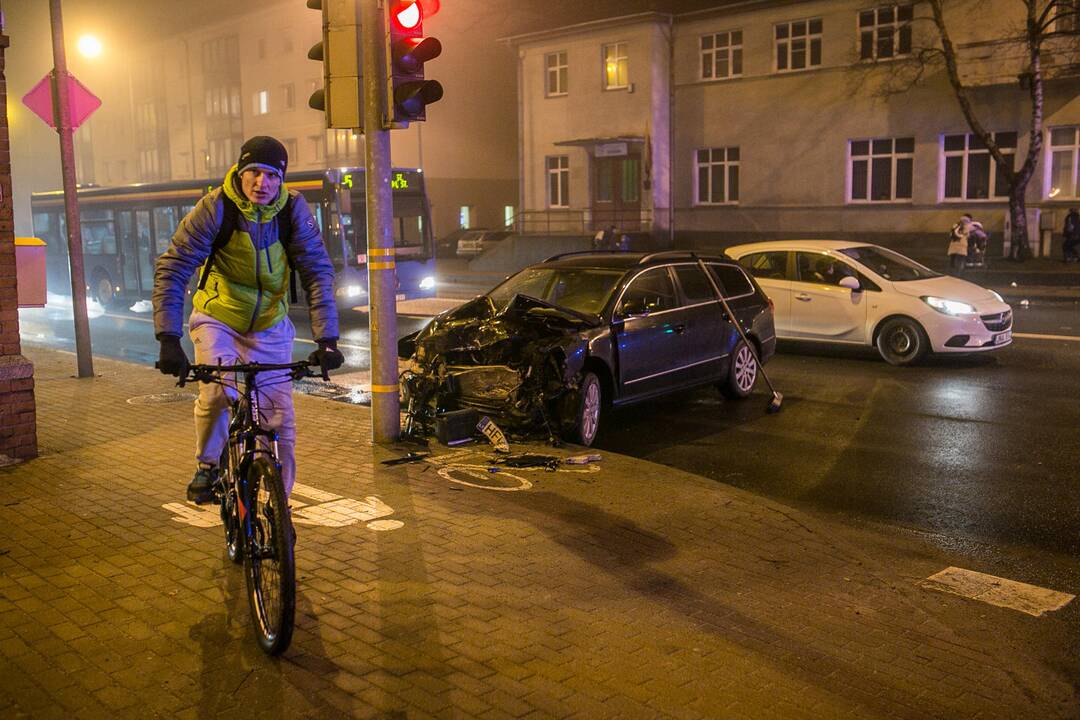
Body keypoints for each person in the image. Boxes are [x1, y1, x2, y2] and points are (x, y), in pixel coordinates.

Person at [152, 136, 344, 504]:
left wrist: (327, 341)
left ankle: (279, 509)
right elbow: (174, 267)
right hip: (218, 318)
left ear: (281, 179)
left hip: (270, 324)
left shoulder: (293, 212)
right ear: (240, 173)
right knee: (219, 391)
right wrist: (167, 337)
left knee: (279, 420)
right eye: (253, 172)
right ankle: (208, 466)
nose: (261, 183)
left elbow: (318, 273)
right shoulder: (215, 208)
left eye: (271, 175)